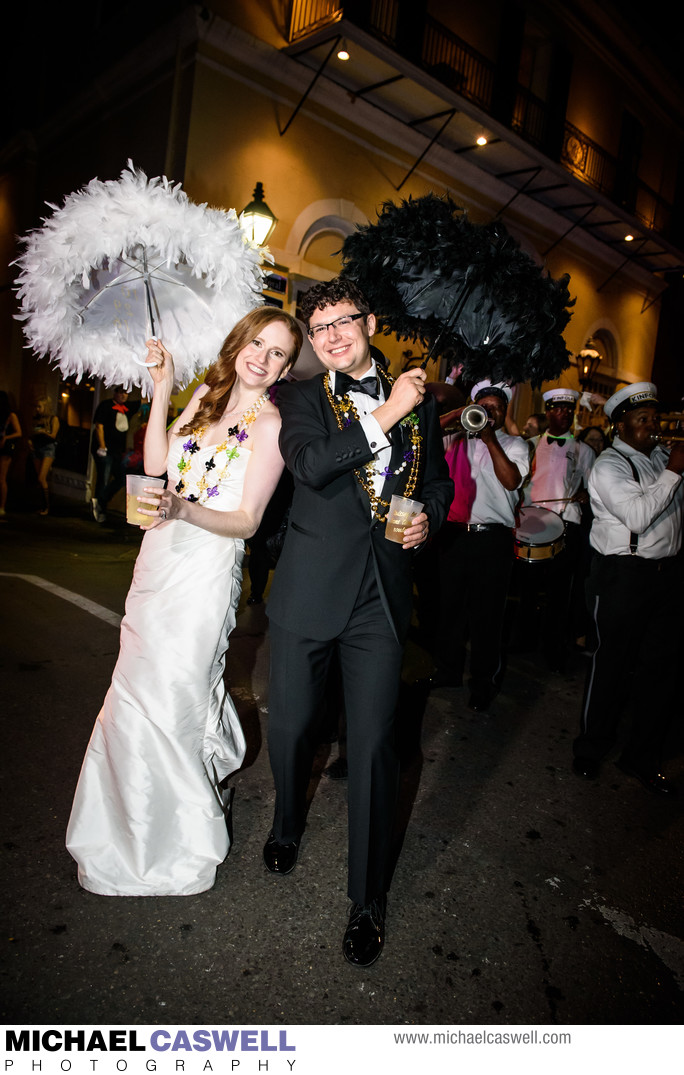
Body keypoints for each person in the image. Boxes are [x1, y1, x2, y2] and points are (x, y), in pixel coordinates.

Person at [66, 307, 302, 896]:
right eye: (257, 343)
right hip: (159, 561)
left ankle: (177, 829)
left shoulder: (272, 424)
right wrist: (164, 388)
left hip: (206, 567)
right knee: (136, 688)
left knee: (177, 689)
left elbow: (248, 522)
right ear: (238, 342)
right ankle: (124, 821)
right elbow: (155, 467)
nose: (262, 357)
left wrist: (183, 510)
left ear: (285, 368)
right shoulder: (203, 394)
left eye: (277, 353)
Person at [262, 278, 453, 968]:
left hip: (381, 595)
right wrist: (388, 411)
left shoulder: (416, 397)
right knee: (288, 725)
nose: (334, 335)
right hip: (311, 589)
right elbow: (311, 466)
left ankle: (367, 901)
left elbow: (436, 481)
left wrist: (427, 516)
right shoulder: (301, 397)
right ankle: (288, 820)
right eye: (320, 329)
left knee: (375, 746)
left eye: (344, 320)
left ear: (370, 320)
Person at [572, 382, 684, 793]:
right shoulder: (609, 465)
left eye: (655, 419)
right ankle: (590, 747)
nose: (653, 427)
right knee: (612, 666)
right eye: (643, 420)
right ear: (621, 424)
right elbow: (637, 516)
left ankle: (641, 756)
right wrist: (674, 470)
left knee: (661, 671)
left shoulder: (660, 459)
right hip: (623, 575)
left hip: (666, 576)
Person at [431, 380, 530, 709]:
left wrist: (488, 438)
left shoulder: (515, 445)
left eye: (496, 408)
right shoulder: (455, 437)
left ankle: (483, 683)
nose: (489, 413)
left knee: (487, 616)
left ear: (505, 413)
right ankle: (447, 670)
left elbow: (512, 481)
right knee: (449, 610)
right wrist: (457, 415)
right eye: (483, 407)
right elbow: (423, 430)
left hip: (493, 539)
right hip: (454, 534)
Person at [522, 387, 595, 669]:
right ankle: (524, 639)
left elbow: (593, 488)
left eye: (568, 410)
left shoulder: (583, 450)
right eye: (558, 409)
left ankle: (552, 646)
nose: (564, 414)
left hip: (567, 525)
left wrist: (586, 495)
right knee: (528, 586)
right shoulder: (530, 445)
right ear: (548, 412)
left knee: (559, 591)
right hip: (533, 522)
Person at [90, 386, 141, 523]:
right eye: (121, 392)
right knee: (104, 478)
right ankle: (100, 509)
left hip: (117, 451)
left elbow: (143, 401)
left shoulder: (127, 408)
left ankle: (100, 500)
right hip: (105, 449)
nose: (123, 395)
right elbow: (99, 426)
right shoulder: (106, 405)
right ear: (115, 392)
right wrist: (102, 445)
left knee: (121, 478)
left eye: (126, 393)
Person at [29, 397, 59, 515]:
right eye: (36, 406)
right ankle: (41, 505)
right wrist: (30, 441)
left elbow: (53, 435)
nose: (37, 409)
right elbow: (32, 433)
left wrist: (43, 432)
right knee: (39, 479)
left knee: (42, 477)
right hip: (37, 448)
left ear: (45, 407)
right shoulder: (36, 418)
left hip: (48, 448)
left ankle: (46, 507)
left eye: (39, 406)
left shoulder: (53, 419)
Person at [0, 391, 22, 517]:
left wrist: (6, 438)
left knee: (2, 478)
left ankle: (2, 506)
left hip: (6, 449)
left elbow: (19, 432)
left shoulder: (11, 415)